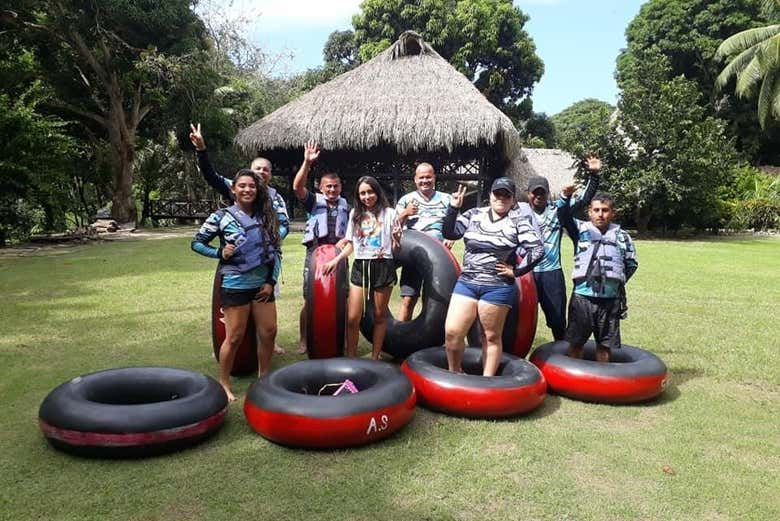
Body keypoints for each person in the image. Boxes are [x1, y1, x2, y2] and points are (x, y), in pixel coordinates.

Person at [189, 123, 289, 354]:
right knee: (235, 312)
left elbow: (283, 225)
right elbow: (211, 177)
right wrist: (202, 150)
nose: (261, 173)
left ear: (270, 174)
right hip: (237, 265)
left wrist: (271, 241)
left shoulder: (276, 198)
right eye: (257, 169)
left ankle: (268, 343)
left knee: (265, 308)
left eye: (265, 170)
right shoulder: (240, 188)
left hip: (266, 262)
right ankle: (232, 345)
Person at [191, 169, 283, 401]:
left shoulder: (266, 216)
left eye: (251, 186)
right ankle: (223, 382)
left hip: (262, 285)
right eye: (242, 185)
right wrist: (219, 252)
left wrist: (271, 281)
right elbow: (197, 243)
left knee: (269, 331)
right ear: (233, 189)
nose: (247, 190)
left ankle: (264, 377)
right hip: (235, 284)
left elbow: (275, 253)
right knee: (234, 337)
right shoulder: (221, 217)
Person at [442, 178, 545, 376]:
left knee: (489, 336)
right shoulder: (474, 214)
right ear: (490, 195)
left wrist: (516, 272)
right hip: (467, 282)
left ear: (513, 199)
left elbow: (538, 249)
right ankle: (454, 373)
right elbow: (450, 232)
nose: (501, 198)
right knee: (453, 332)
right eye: (497, 193)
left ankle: (487, 381)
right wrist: (453, 209)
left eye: (506, 194)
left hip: (497, 287)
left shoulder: (518, 221)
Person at [321, 176, 402, 360]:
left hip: (383, 266)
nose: (367, 196)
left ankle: (375, 358)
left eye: (370, 192)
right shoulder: (355, 214)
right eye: (363, 193)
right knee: (353, 318)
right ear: (358, 196)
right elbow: (351, 244)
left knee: (380, 316)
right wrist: (337, 260)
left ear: (377, 192)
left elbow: (397, 249)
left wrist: (397, 239)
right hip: (361, 266)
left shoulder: (389, 213)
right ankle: (351, 358)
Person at [526, 154, 601, 340]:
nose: (538, 196)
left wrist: (594, 175)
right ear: (528, 193)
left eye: (542, 192)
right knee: (521, 319)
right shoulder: (519, 213)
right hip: (525, 274)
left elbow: (583, 200)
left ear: (547, 193)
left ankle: (560, 355)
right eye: (535, 192)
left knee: (558, 321)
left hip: (552, 273)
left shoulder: (557, 211)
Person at [563, 193, 638, 363]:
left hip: (610, 299)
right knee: (576, 343)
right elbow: (564, 214)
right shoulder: (579, 231)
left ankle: (601, 382)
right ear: (589, 212)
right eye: (596, 210)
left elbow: (631, 263)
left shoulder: (622, 237)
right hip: (582, 297)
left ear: (613, 213)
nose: (600, 214)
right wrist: (567, 197)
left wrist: (616, 280)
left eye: (605, 210)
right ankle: (575, 380)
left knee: (605, 345)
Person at [292, 140, 350, 354]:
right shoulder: (313, 201)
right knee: (309, 299)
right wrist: (307, 163)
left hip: (339, 255)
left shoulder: (346, 204)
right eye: (328, 186)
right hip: (315, 254)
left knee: (343, 299)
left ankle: (342, 339)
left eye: (336, 186)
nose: (332, 190)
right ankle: (304, 340)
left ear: (340, 187)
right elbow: (297, 187)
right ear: (321, 187)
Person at [394, 163, 453, 321]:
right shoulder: (406, 200)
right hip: (413, 256)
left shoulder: (447, 199)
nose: (425, 180)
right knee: (408, 299)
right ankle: (401, 337)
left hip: (438, 260)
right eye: (421, 177)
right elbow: (392, 226)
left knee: (434, 302)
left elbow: (455, 226)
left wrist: (450, 237)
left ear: (434, 178)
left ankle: (431, 340)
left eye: (428, 177)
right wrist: (406, 213)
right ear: (415, 179)